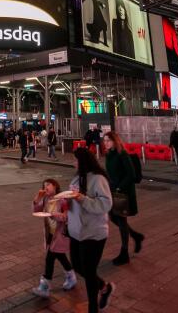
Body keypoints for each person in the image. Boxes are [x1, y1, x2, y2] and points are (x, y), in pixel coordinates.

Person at [66, 147, 114, 312]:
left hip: (93, 233)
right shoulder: (76, 179)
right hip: (75, 232)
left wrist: (82, 199)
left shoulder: (98, 179)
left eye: (75, 160)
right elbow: (72, 204)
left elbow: (106, 204)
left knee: (88, 270)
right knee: (78, 267)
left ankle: (93, 307)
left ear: (83, 162)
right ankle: (104, 287)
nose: (73, 163)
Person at [102, 131, 144, 266]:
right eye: (104, 141)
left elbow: (130, 174)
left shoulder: (122, 154)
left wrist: (119, 187)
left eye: (108, 140)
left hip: (122, 192)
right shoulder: (109, 155)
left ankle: (124, 253)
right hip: (113, 190)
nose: (106, 143)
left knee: (120, 219)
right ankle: (136, 236)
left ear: (115, 141)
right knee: (114, 217)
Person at [31, 178, 77, 298]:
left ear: (55, 186)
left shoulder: (62, 200)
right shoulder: (46, 199)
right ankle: (71, 277)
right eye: (44, 185)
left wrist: (55, 215)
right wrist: (38, 197)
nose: (46, 187)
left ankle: (45, 286)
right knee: (60, 256)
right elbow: (36, 210)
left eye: (48, 185)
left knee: (49, 258)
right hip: (50, 233)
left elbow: (66, 218)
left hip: (60, 234)